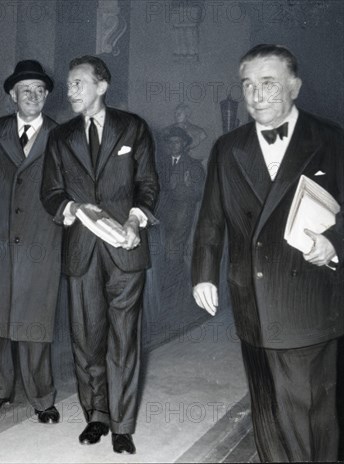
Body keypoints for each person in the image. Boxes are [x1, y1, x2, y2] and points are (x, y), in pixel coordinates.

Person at [192, 44, 343, 462]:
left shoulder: (331, 138)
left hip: (309, 300)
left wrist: (335, 243)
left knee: (311, 416)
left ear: (294, 86)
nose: (257, 96)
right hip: (251, 301)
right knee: (268, 413)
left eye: (269, 84)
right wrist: (203, 273)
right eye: (248, 85)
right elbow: (210, 219)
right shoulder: (227, 147)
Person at [41, 55, 159, 455]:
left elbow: (147, 183)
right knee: (86, 338)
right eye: (69, 85)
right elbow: (51, 193)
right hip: (82, 250)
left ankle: (123, 424)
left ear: (102, 86)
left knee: (124, 339)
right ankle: (97, 415)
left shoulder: (133, 127)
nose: (70, 91)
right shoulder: (61, 137)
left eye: (77, 83)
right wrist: (73, 210)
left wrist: (135, 220)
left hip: (126, 249)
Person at [0, 60, 61, 423]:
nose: (33, 96)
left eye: (40, 90)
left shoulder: (61, 135)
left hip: (41, 244)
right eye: (26, 89)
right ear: (12, 95)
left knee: (35, 325)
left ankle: (42, 398)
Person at [156, 126, 205, 267]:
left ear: (184, 144)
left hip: (182, 214)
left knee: (174, 248)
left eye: (177, 142)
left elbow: (199, 193)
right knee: (161, 246)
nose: (173, 145)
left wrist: (188, 186)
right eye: (170, 142)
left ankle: (174, 275)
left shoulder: (194, 166)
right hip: (162, 212)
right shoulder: (161, 164)